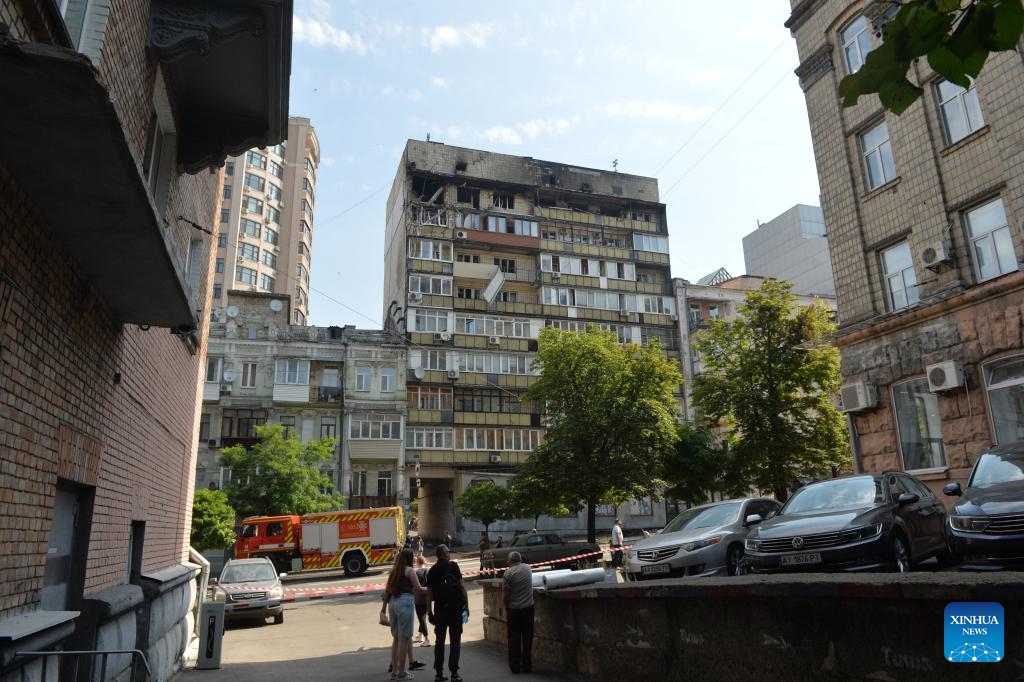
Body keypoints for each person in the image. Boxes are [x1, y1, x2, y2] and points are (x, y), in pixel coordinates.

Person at [426, 544, 468, 682]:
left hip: (440, 610)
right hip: (455, 610)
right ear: (444, 553)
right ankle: (454, 674)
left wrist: (429, 612)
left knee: (439, 642)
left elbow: (429, 594)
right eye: (448, 552)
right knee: (455, 642)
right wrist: (466, 606)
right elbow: (462, 587)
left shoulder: (431, 571)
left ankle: (439, 673)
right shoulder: (453, 566)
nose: (449, 553)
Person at [385, 548, 426, 680]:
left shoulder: (394, 571)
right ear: (408, 558)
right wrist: (432, 589)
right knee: (404, 639)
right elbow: (418, 588)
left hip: (393, 603)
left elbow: (388, 591)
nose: (414, 559)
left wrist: (383, 608)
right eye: (412, 557)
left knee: (396, 638)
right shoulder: (409, 570)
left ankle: (395, 671)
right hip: (405, 602)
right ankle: (402, 672)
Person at [502, 551, 534, 674]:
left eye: (507, 560)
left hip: (514, 610)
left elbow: (505, 596)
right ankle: (527, 665)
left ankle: (515, 666)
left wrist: (507, 609)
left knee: (514, 639)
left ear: (510, 561)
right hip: (528, 607)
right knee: (527, 637)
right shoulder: (528, 568)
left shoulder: (508, 574)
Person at [414, 555, 431, 647]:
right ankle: (420, 635)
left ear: (417, 563)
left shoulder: (416, 573)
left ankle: (427, 639)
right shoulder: (428, 571)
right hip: (428, 597)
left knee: (421, 618)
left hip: (419, 598)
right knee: (423, 616)